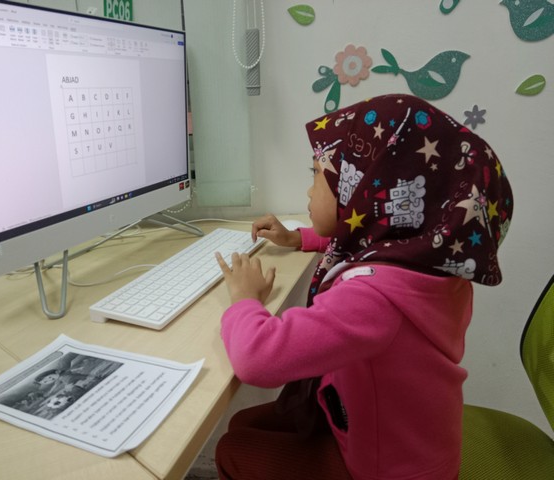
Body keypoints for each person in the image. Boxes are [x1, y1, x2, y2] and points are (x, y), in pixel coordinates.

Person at [214, 93, 513, 480]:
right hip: (409, 444)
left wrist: (244, 299)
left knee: (233, 448)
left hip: (385, 469)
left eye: (317, 174)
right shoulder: (429, 263)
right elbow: (364, 243)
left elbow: (256, 360)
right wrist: (299, 238)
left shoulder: (374, 299)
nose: (309, 191)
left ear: (363, 187)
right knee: (247, 423)